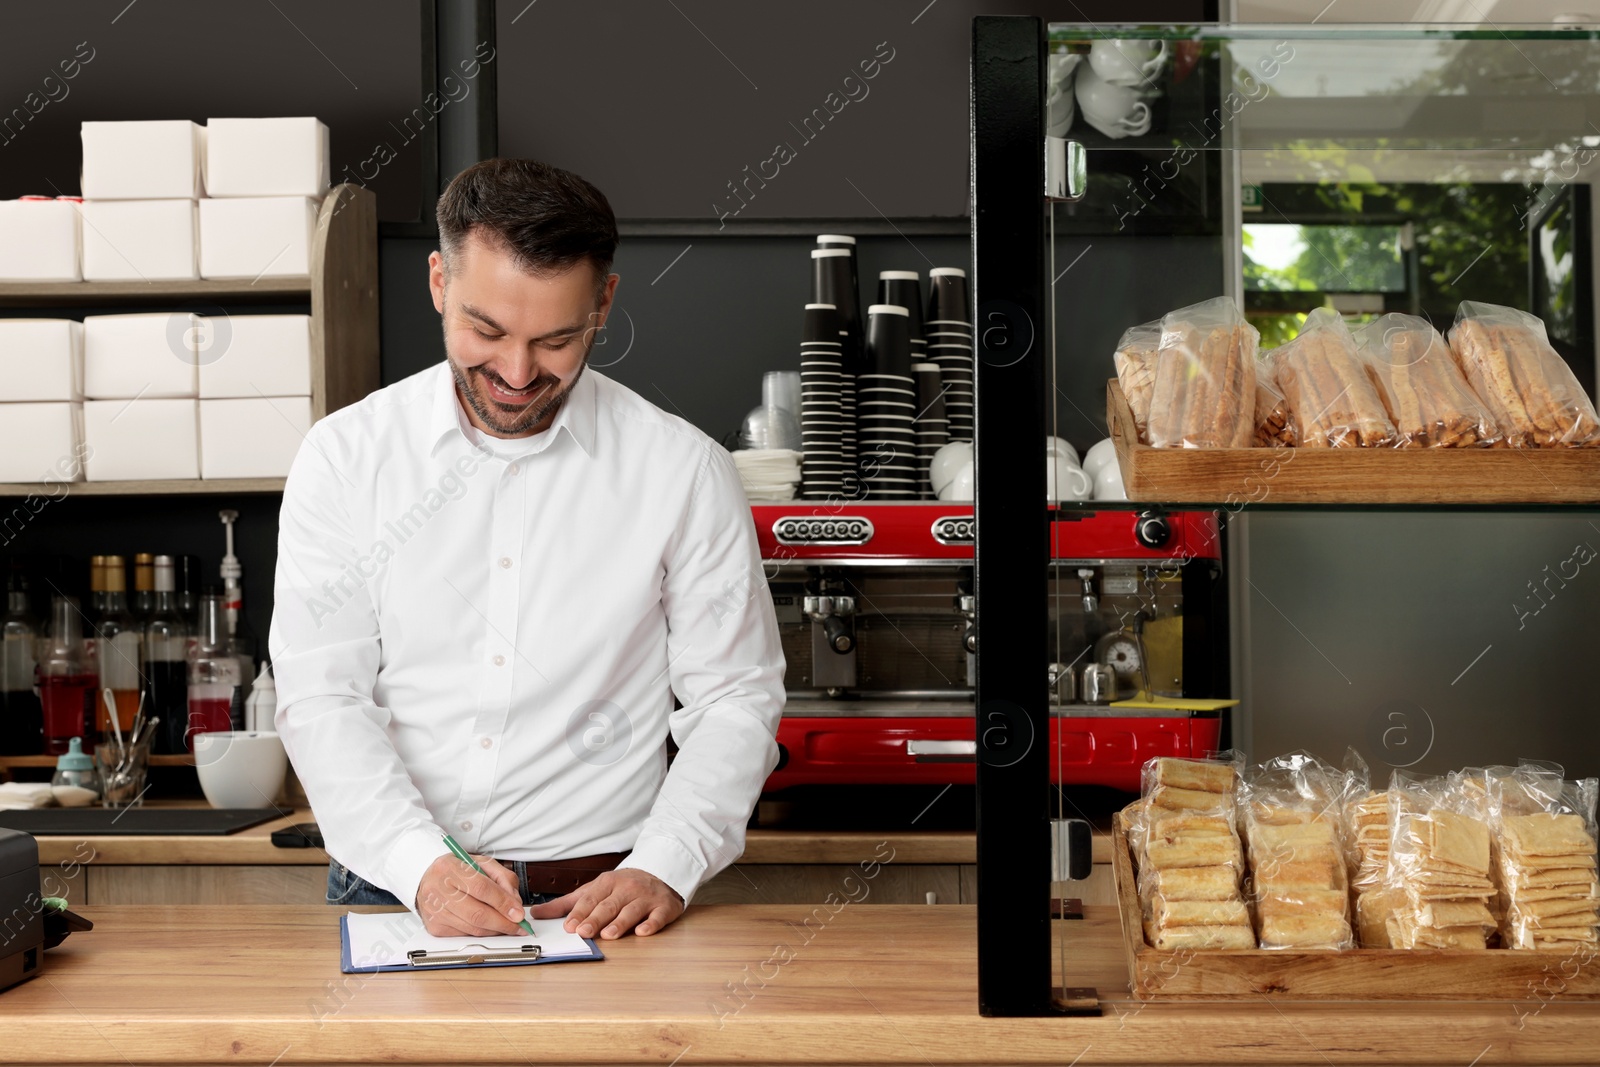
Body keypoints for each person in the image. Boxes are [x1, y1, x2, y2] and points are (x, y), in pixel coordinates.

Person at [270, 159, 784, 941]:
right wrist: (421, 863)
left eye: (556, 339)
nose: (515, 372)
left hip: (606, 904)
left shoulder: (683, 471)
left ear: (603, 305)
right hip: (398, 892)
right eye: (487, 330)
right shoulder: (345, 457)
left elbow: (735, 698)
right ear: (440, 282)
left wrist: (669, 861)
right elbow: (322, 696)